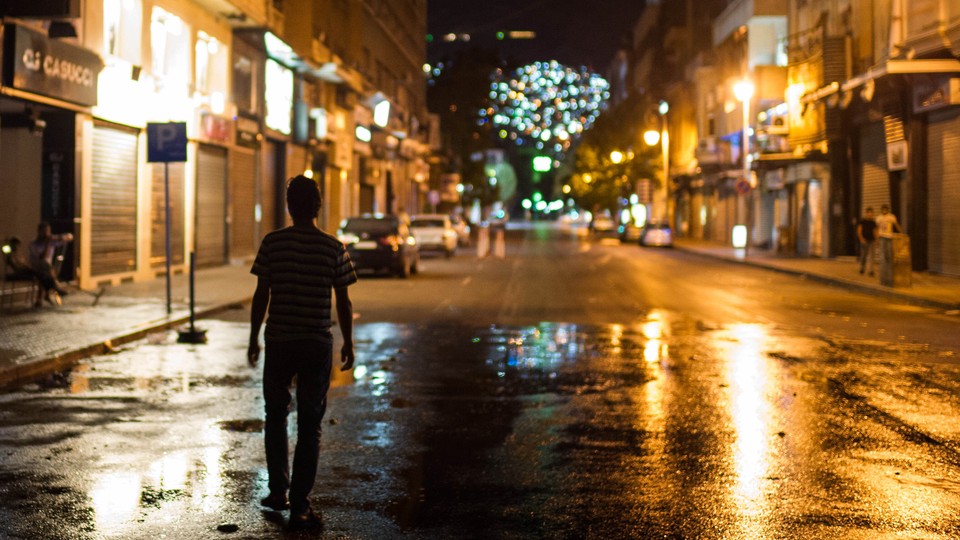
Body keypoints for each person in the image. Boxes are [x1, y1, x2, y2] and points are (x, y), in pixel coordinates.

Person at [247, 175, 358, 531]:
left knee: (275, 415)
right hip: (315, 343)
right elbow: (343, 298)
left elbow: (261, 294)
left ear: (289, 206)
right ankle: (299, 504)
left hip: (279, 341)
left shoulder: (272, 243)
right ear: (318, 207)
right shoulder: (333, 247)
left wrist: (253, 338)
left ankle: (278, 491)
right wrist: (349, 342)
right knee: (310, 423)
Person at [27, 222, 72, 306]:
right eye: (44, 231)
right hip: (35, 267)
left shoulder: (51, 241)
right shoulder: (34, 244)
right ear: (39, 231)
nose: (46, 234)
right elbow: (41, 257)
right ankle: (55, 287)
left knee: (45, 272)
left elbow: (69, 237)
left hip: (46, 269)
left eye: (47, 231)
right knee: (44, 267)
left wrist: (59, 237)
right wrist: (47, 244)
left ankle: (42, 297)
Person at [856, 207, 877, 276]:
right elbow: (859, 230)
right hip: (864, 240)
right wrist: (861, 239)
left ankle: (871, 270)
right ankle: (862, 267)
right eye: (869, 213)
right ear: (866, 213)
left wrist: (876, 239)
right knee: (864, 255)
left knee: (872, 256)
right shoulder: (862, 221)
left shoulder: (873, 222)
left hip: (872, 240)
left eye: (871, 213)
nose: (870, 214)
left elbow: (875, 231)